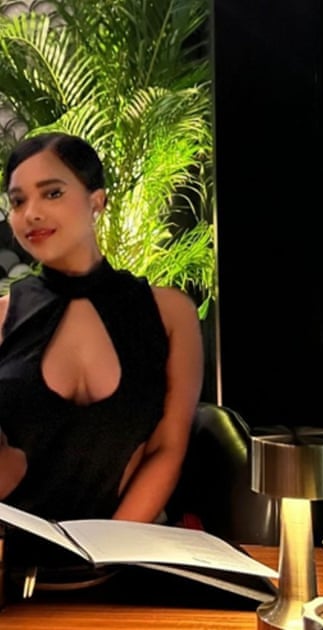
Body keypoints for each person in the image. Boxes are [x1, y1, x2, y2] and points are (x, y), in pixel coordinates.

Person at [0, 132, 203, 524]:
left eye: (52, 193)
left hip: (128, 547)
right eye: (18, 201)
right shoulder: (3, 317)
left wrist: (110, 545)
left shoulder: (171, 313)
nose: (32, 213)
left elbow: (167, 446)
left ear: (97, 201)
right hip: (16, 550)